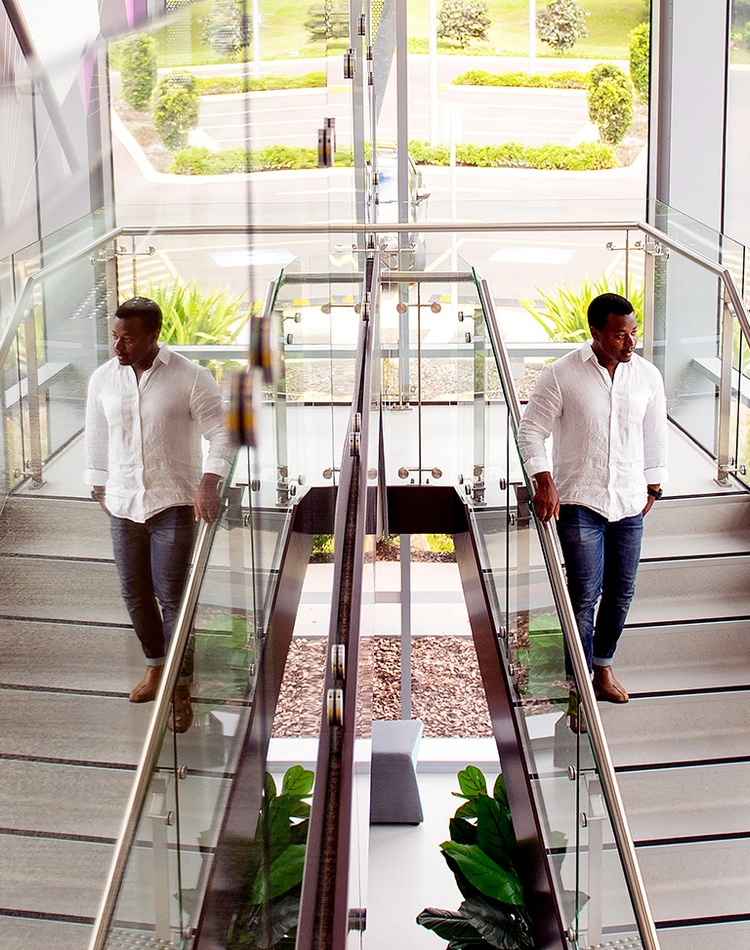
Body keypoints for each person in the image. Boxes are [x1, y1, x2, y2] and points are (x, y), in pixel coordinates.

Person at [84, 296, 234, 732]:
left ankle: (180, 687)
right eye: (114, 335)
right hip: (123, 503)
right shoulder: (102, 379)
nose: (118, 345)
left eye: (127, 337)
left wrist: (210, 481)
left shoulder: (190, 377)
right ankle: (155, 665)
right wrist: (98, 485)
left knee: (172, 597)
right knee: (134, 593)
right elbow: (96, 437)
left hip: (173, 502)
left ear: (153, 335)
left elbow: (222, 434)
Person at [517, 292, 668, 709]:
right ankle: (578, 689)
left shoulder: (647, 376)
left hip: (629, 501)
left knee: (622, 592)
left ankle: (602, 667)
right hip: (580, 500)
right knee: (583, 595)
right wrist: (543, 479)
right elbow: (530, 431)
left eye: (633, 332)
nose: (630, 342)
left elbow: (655, 436)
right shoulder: (561, 374)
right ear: (596, 333)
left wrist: (653, 485)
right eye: (620, 334)